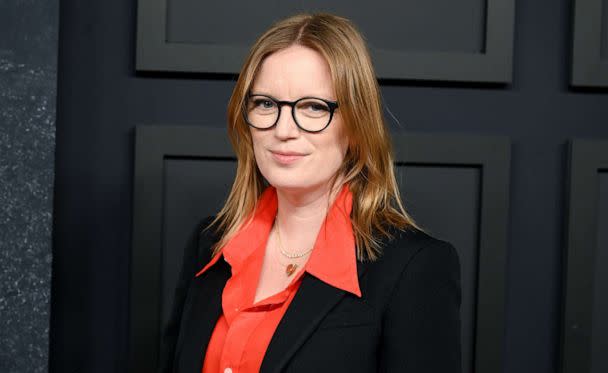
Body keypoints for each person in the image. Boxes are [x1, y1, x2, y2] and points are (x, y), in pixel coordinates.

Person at [160, 13, 461, 373]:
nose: (283, 129)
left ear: (356, 125)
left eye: (314, 107)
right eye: (266, 104)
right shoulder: (211, 243)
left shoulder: (414, 268)